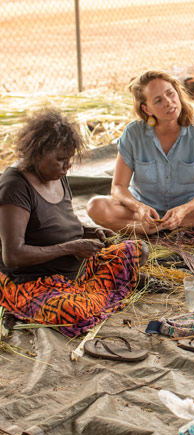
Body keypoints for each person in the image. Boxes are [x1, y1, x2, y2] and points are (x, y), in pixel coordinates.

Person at [0, 109, 148, 337]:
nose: (66, 166)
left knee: (138, 250)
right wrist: (70, 247)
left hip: (76, 268)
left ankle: (92, 292)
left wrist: (89, 231)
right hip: (34, 280)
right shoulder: (14, 186)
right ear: (38, 153)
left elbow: (59, 222)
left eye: (69, 160)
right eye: (60, 160)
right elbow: (13, 255)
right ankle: (102, 291)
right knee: (73, 312)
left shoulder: (57, 175)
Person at [86, 70, 194, 235]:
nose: (169, 102)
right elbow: (118, 186)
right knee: (96, 206)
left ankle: (164, 228)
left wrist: (184, 210)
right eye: (158, 100)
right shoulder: (133, 133)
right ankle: (155, 227)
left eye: (170, 94)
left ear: (177, 93)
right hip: (143, 215)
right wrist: (139, 208)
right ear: (147, 109)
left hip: (189, 212)